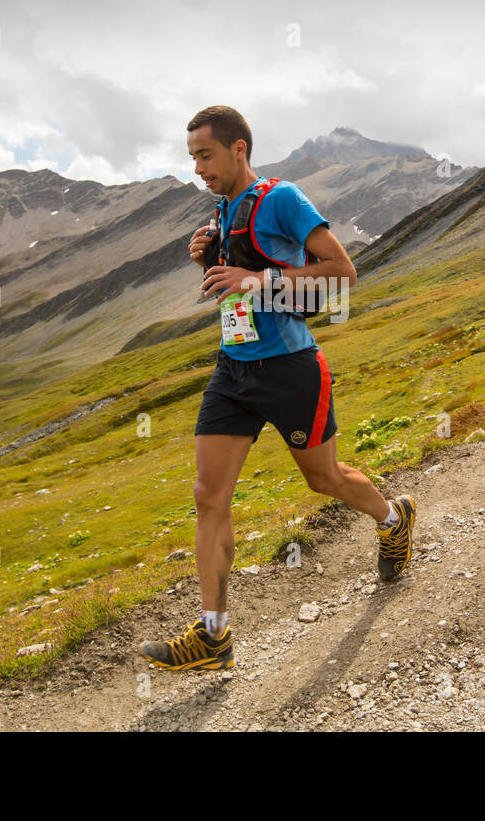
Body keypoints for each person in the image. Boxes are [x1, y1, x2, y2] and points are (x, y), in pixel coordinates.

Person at [137, 105, 416, 672]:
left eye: (205, 155)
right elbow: (240, 284)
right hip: (232, 372)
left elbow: (343, 274)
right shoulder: (222, 208)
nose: (197, 167)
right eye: (191, 156)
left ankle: (393, 518)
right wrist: (211, 261)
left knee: (324, 479)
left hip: (290, 368)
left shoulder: (283, 198)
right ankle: (213, 635)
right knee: (208, 496)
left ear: (239, 148)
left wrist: (254, 278)